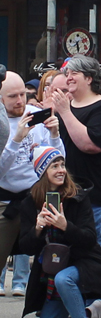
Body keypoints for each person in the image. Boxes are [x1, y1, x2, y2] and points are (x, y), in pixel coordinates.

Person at [18, 146, 101, 318]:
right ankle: (90, 314)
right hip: (51, 270)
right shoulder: (30, 203)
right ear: (43, 172)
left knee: (63, 279)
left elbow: (89, 240)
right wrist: (38, 229)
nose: (61, 170)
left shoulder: (77, 197)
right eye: (54, 166)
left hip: (85, 265)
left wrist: (65, 226)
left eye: (62, 165)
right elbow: (26, 247)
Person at [0, 71, 64, 283]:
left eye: (22, 95)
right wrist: (16, 140)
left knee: (51, 259)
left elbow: (59, 163)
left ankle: (47, 307)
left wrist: (54, 135)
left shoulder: (35, 114)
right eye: (12, 96)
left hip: (37, 198)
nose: (19, 101)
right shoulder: (2, 124)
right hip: (6, 201)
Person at [52, 55, 101, 247]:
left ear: (90, 78)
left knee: (87, 247)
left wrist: (65, 113)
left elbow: (90, 145)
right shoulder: (65, 106)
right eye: (67, 74)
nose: (69, 78)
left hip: (93, 192)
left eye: (74, 73)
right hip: (65, 190)